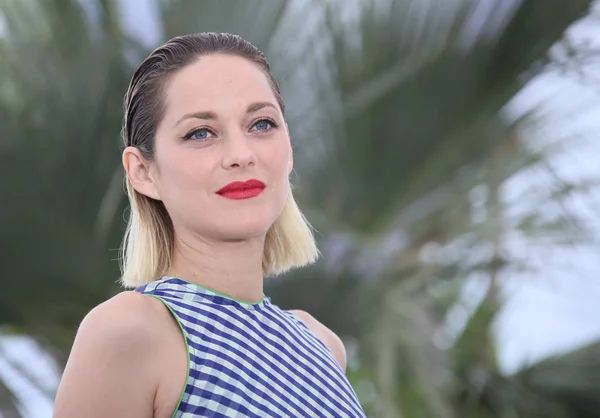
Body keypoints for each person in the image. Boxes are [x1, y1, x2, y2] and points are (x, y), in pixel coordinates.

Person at [53, 32, 366, 418]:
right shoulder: (131, 332)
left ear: (289, 150)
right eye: (201, 133)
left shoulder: (321, 345)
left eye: (262, 124)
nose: (241, 154)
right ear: (143, 172)